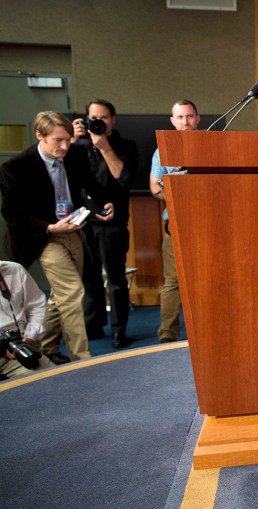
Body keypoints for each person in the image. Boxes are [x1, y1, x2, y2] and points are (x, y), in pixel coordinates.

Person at [0, 111, 116, 364]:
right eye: (57, 141)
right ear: (39, 135)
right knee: (73, 291)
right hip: (42, 236)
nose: (64, 146)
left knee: (60, 296)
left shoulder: (74, 154)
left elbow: (90, 185)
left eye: (67, 139)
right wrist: (51, 228)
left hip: (73, 229)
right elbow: (12, 215)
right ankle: (82, 359)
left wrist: (104, 204)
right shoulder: (14, 167)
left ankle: (44, 346)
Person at [72, 99, 138, 349]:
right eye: (94, 118)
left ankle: (119, 332)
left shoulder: (126, 146)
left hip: (114, 223)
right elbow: (68, 180)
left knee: (116, 279)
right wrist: (72, 140)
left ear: (113, 119)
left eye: (104, 117)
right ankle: (94, 325)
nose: (99, 122)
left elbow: (123, 177)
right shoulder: (79, 147)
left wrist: (104, 147)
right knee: (89, 278)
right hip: (84, 221)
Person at [149, 100, 200, 343]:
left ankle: (208, 331)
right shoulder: (163, 150)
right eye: (180, 117)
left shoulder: (210, 145)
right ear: (172, 121)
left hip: (207, 223)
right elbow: (155, 187)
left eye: (189, 116)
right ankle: (167, 336)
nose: (185, 122)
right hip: (176, 223)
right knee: (173, 282)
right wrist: (178, 191)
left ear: (197, 118)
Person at [0, 260, 54, 379]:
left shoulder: (13, 270)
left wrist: (30, 335)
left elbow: (37, 306)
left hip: (16, 346)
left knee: (56, 380)